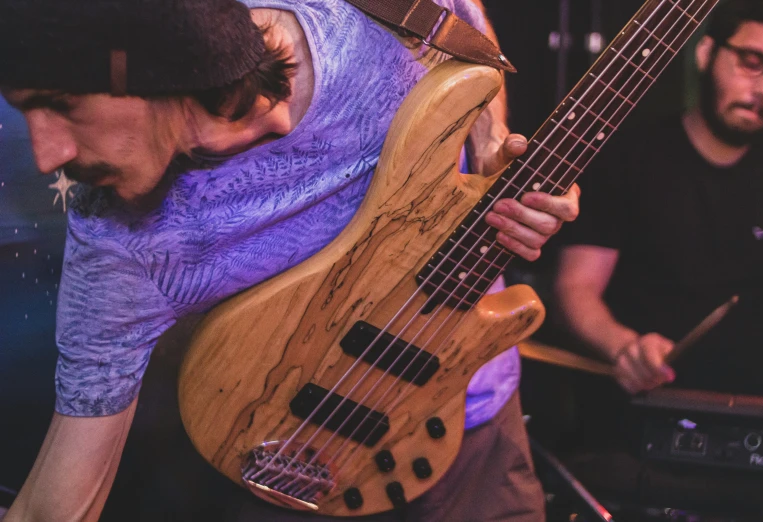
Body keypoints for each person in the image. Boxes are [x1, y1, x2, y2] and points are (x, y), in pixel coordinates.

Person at [0, 0, 580, 520]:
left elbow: (469, 22)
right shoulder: (119, 242)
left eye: (62, 104)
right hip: (297, 460)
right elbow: (55, 507)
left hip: (472, 412)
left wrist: (492, 146)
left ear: (159, 61)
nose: (48, 154)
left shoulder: (367, 22)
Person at [554, 0, 763, 397]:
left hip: (754, 413)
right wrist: (625, 348)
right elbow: (575, 289)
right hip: (642, 408)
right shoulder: (631, 155)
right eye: (751, 62)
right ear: (706, 53)